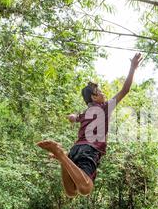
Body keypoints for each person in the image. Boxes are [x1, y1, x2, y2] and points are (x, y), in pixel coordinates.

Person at [37, 53, 143, 197]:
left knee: (71, 192)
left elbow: (75, 118)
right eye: (99, 92)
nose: (103, 93)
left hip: (76, 149)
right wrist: (132, 68)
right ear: (94, 97)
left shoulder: (85, 113)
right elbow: (125, 90)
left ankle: (64, 157)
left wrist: (71, 117)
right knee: (85, 188)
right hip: (89, 149)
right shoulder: (104, 107)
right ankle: (61, 155)